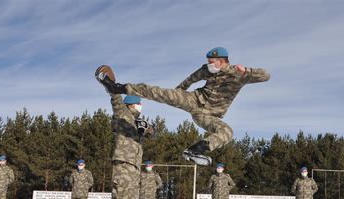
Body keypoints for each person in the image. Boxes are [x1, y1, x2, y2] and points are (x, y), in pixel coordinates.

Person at [95, 47, 270, 166]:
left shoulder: (239, 74)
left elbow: (266, 75)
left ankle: (196, 150)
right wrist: (179, 91)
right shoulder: (207, 70)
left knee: (227, 132)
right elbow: (192, 78)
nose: (209, 65)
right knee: (160, 92)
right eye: (208, 62)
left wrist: (247, 70)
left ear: (222, 61)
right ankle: (119, 87)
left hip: (209, 115)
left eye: (212, 62)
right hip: (194, 99)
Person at [95, 65, 154, 199]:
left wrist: (148, 129)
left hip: (134, 166)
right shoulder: (123, 115)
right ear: (132, 104)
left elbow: (153, 134)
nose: (141, 106)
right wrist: (111, 84)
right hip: (123, 165)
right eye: (139, 103)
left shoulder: (138, 122)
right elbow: (116, 99)